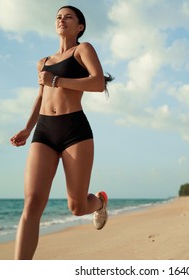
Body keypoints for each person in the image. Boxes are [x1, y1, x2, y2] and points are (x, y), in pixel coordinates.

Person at [10, 5, 113, 260]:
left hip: (74, 130)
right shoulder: (43, 62)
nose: (61, 19)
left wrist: (56, 80)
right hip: (44, 131)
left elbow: (98, 83)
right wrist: (27, 127)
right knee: (32, 203)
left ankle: (99, 202)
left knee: (77, 207)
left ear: (79, 26)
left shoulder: (83, 49)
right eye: (58, 16)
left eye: (68, 16)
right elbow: (41, 95)